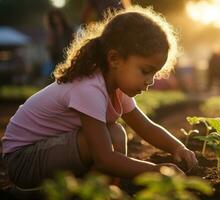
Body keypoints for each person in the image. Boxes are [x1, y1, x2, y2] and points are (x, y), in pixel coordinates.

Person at [1, 6, 197, 190]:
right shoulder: (89, 88)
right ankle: (72, 191)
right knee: (98, 143)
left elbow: (145, 127)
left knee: (116, 133)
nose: (150, 81)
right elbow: (104, 159)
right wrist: (157, 171)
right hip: (22, 160)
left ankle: (104, 188)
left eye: (154, 73)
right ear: (114, 59)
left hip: (44, 151)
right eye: (145, 71)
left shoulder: (116, 87)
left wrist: (177, 147)